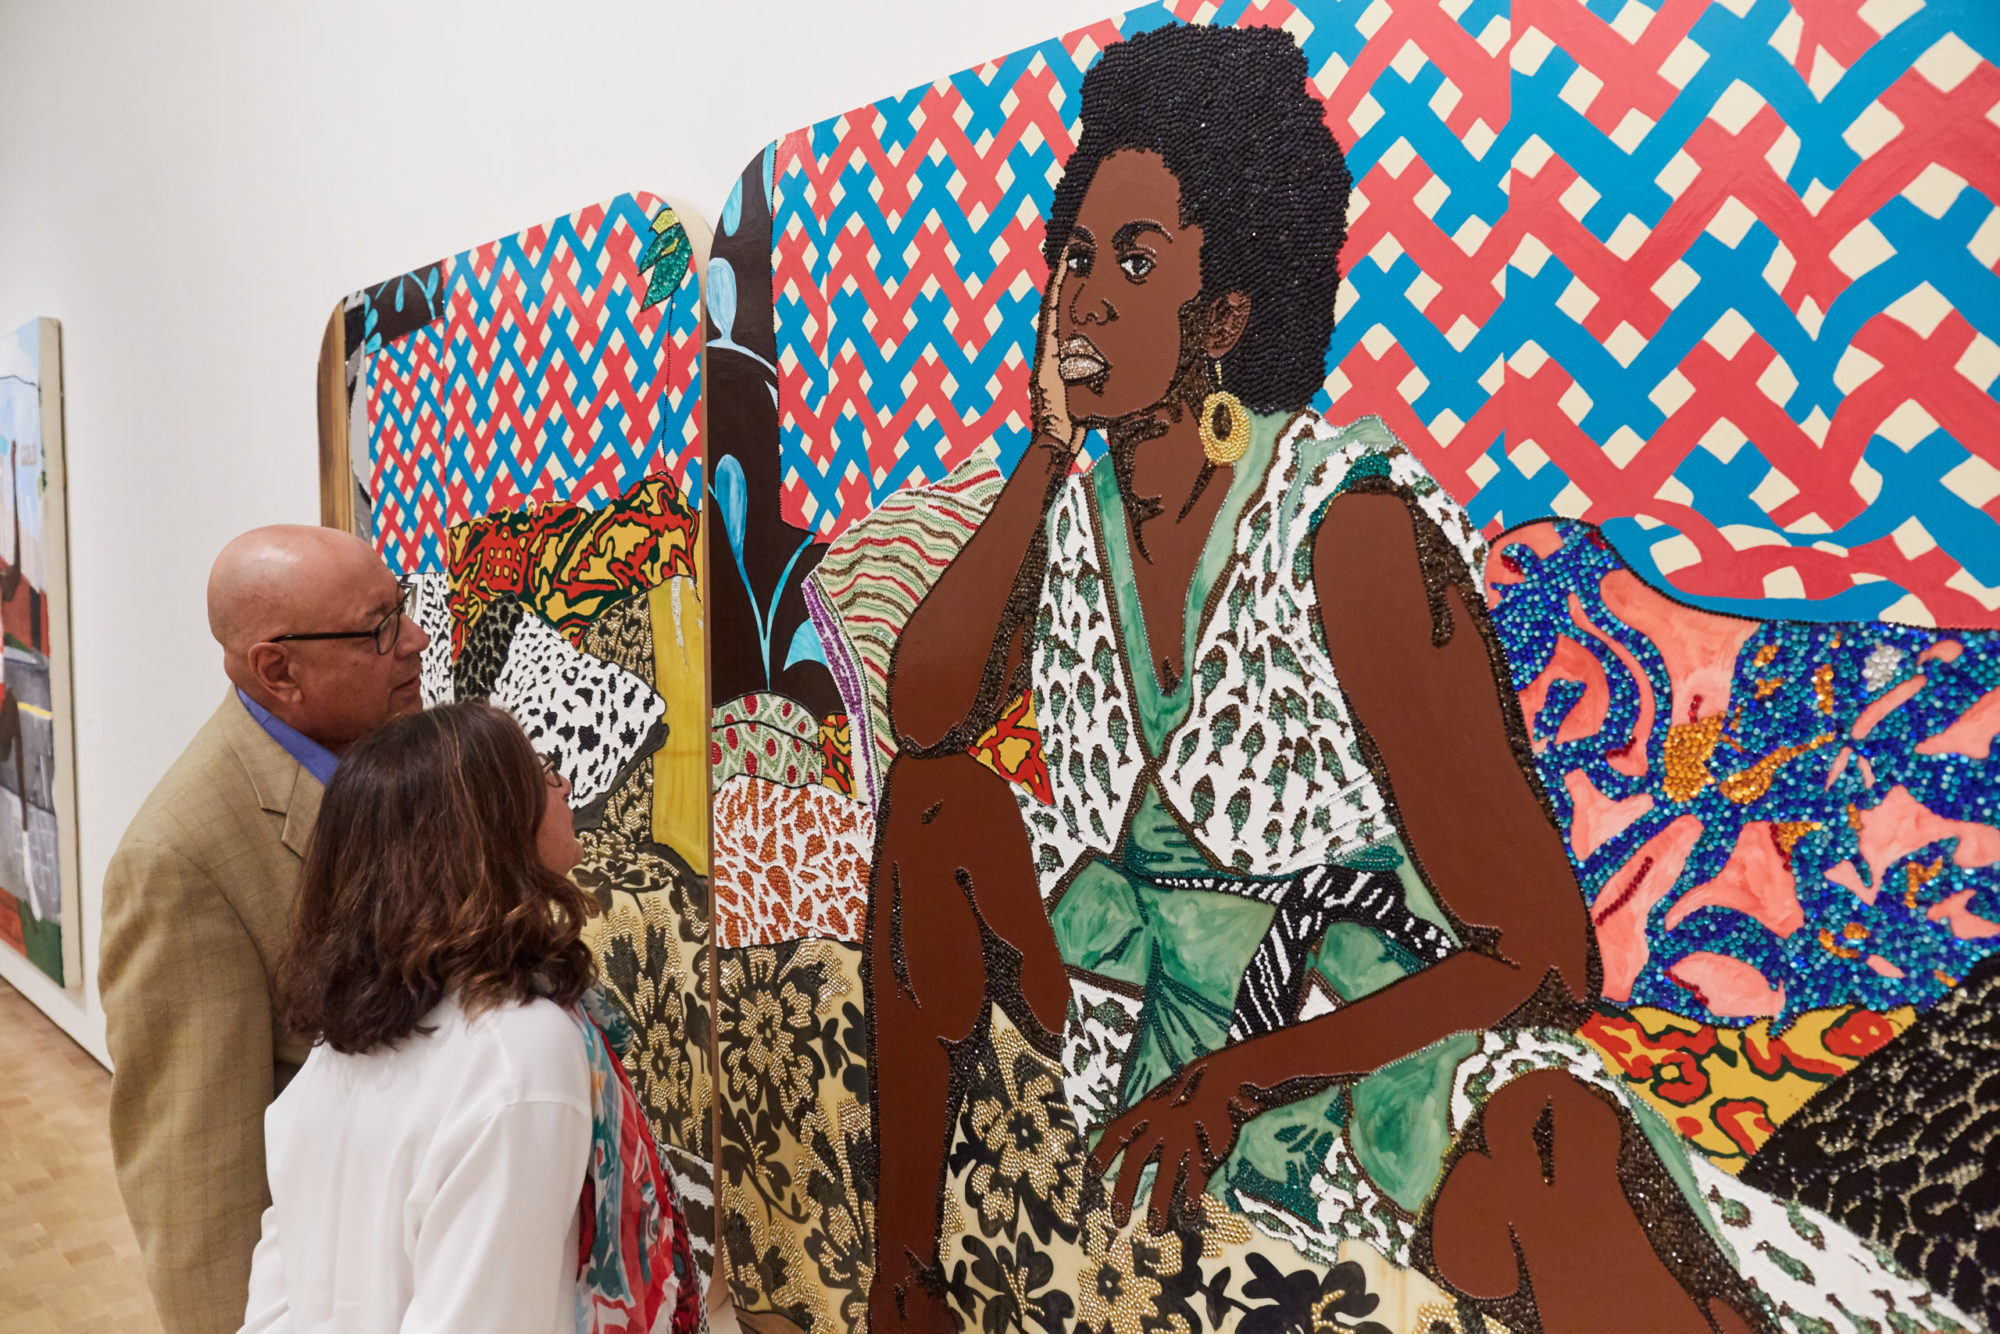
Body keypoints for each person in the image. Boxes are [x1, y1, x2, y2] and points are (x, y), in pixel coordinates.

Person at [865, 23, 1785, 1334]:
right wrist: (1038, 456)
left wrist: (1241, 1079)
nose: (1085, 297)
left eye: (1137, 260)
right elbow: (922, 715)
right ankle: (906, 1280)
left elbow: (1544, 953)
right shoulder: (1073, 521)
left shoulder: (1345, 532)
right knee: (935, 804)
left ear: (1225, 314)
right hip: (1153, 979)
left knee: (1548, 1146)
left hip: (1359, 1019)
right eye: (1074, 257)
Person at [240, 701, 701, 1334]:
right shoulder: (519, 1055)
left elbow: (274, 1305)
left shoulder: (344, 1038)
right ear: (492, 830)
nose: (561, 783)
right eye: (540, 771)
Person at [98, 525, 429, 1334]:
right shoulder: (178, 862)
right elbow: (198, 1190)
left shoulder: (379, 752)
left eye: (404, 609)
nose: (414, 640)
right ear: (278, 669)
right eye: (379, 627)